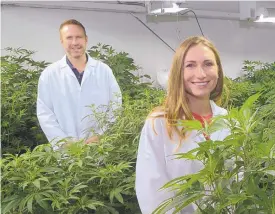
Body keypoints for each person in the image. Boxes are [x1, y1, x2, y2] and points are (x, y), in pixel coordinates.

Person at [135, 36, 230, 214]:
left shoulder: (228, 121)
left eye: (208, 64)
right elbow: (152, 192)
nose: (201, 74)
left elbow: (238, 183)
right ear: (179, 71)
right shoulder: (160, 123)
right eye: (190, 65)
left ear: (218, 70)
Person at [36, 19, 122, 149]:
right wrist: (64, 142)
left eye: (79, 37)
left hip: (101, 149)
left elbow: (115, 106)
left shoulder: (104, 71)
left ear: (86, 39)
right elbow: (45, 114)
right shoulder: (49, 75)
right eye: (69, 38)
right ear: (62, 41)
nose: (75, 42)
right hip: (66, 152)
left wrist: (101, 135)